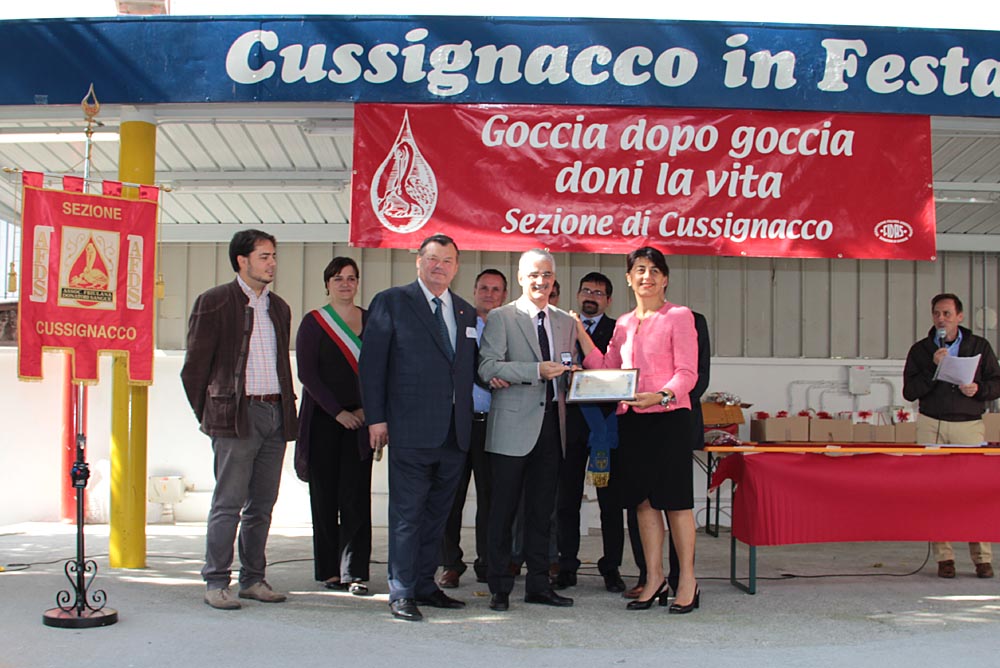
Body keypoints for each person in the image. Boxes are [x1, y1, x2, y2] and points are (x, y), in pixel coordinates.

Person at [359, 234, 478, 621]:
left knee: (437, 517)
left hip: (454, 433)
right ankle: (402, 591)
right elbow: (372, 365)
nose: (439, 266)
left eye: (447, 260)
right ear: (418, 261)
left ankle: (426, 586)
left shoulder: (465, 311)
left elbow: (467, 368)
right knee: (407, 516)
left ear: (456, 267)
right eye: (432, 259)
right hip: (410, 430)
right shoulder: (392, 302)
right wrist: (376, 418)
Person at [576, 246, 700, 614]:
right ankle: (654, 577)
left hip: (669, 418)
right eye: (640, 270)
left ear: (665, 279)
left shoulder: (679, 316)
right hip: (632, 421)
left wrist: (661, 396)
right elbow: (607, 369)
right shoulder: (624, 324)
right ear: (629, 279)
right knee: (643, 504)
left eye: (654, 270)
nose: (647, 276)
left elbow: (688, 373)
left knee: (675, 504)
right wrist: (580, 333)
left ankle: (687, 581)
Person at [181, 229, 298, 611]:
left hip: (275, 413)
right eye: (264, 256)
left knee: (262, 504)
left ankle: (253, 579)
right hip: (236, 416)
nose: (272, 263)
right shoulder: (214, 302)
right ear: (241, 260)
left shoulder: (279, 308)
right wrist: (212, 414)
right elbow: (194, 369)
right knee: (228, 503)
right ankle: (216, 581)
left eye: (274, 256)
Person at [479, 249, 576, 612]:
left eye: (547, 275)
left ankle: (539, 585)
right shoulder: (502, 317)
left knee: (541, 512)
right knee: (502, 512)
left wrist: (577, 377)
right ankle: (499, 587)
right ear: (520, 278)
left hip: (552, 426)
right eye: (534, 274)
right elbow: (487, 367)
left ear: (554, 279)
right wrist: (535, 371)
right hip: (510, 428)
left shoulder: (565, 321)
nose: (541, 281)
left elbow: (566, 368)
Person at [903, 292, 1000, 579]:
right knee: (935, 492)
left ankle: (982, 558)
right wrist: (933, 367)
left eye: (947, 313)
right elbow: (910, 392)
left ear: (960, 316)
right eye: (937, 313)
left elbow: (997, 383)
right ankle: (944, 557)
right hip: (931, 423)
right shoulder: (921, 350)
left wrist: (979, 390)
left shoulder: (979, 346)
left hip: (968, 424)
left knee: (974, 491)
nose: (941, 319)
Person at [294, 257, 373, 596]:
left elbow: (380, 368)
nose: (345, 284)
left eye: (351, 278)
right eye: (338, 278)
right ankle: (329, 570)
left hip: (362, 421)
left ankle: (354, 572)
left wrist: (368, 410)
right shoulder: (314, 323)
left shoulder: (371, 320)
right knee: (325, 497)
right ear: (327, 283)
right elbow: (307, 374)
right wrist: (338, 412)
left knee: (356, 498)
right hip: (324, 421)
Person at [555, 271, 630, 593]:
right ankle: (566, 565)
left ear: (609, 300)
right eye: (586, 290)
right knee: (566, 501)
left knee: (611, 503)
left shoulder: (620, 330)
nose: (591, 297)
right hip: (570, 426)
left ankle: (611, 566)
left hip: (606, 426)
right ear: (578, 295)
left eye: (598, 293)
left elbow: (622, 372)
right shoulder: (562, 327)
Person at [438, 268, 508, 588]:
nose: (489, 294)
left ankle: (487, 562)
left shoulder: (510, 327)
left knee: (491, 498)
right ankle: (450, 563)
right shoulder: (458, 323)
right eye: (484, 288)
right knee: (451, 496)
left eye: (496, 289)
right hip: (459, 421)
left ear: (504, 296)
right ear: (474, 290)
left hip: (494, 423)